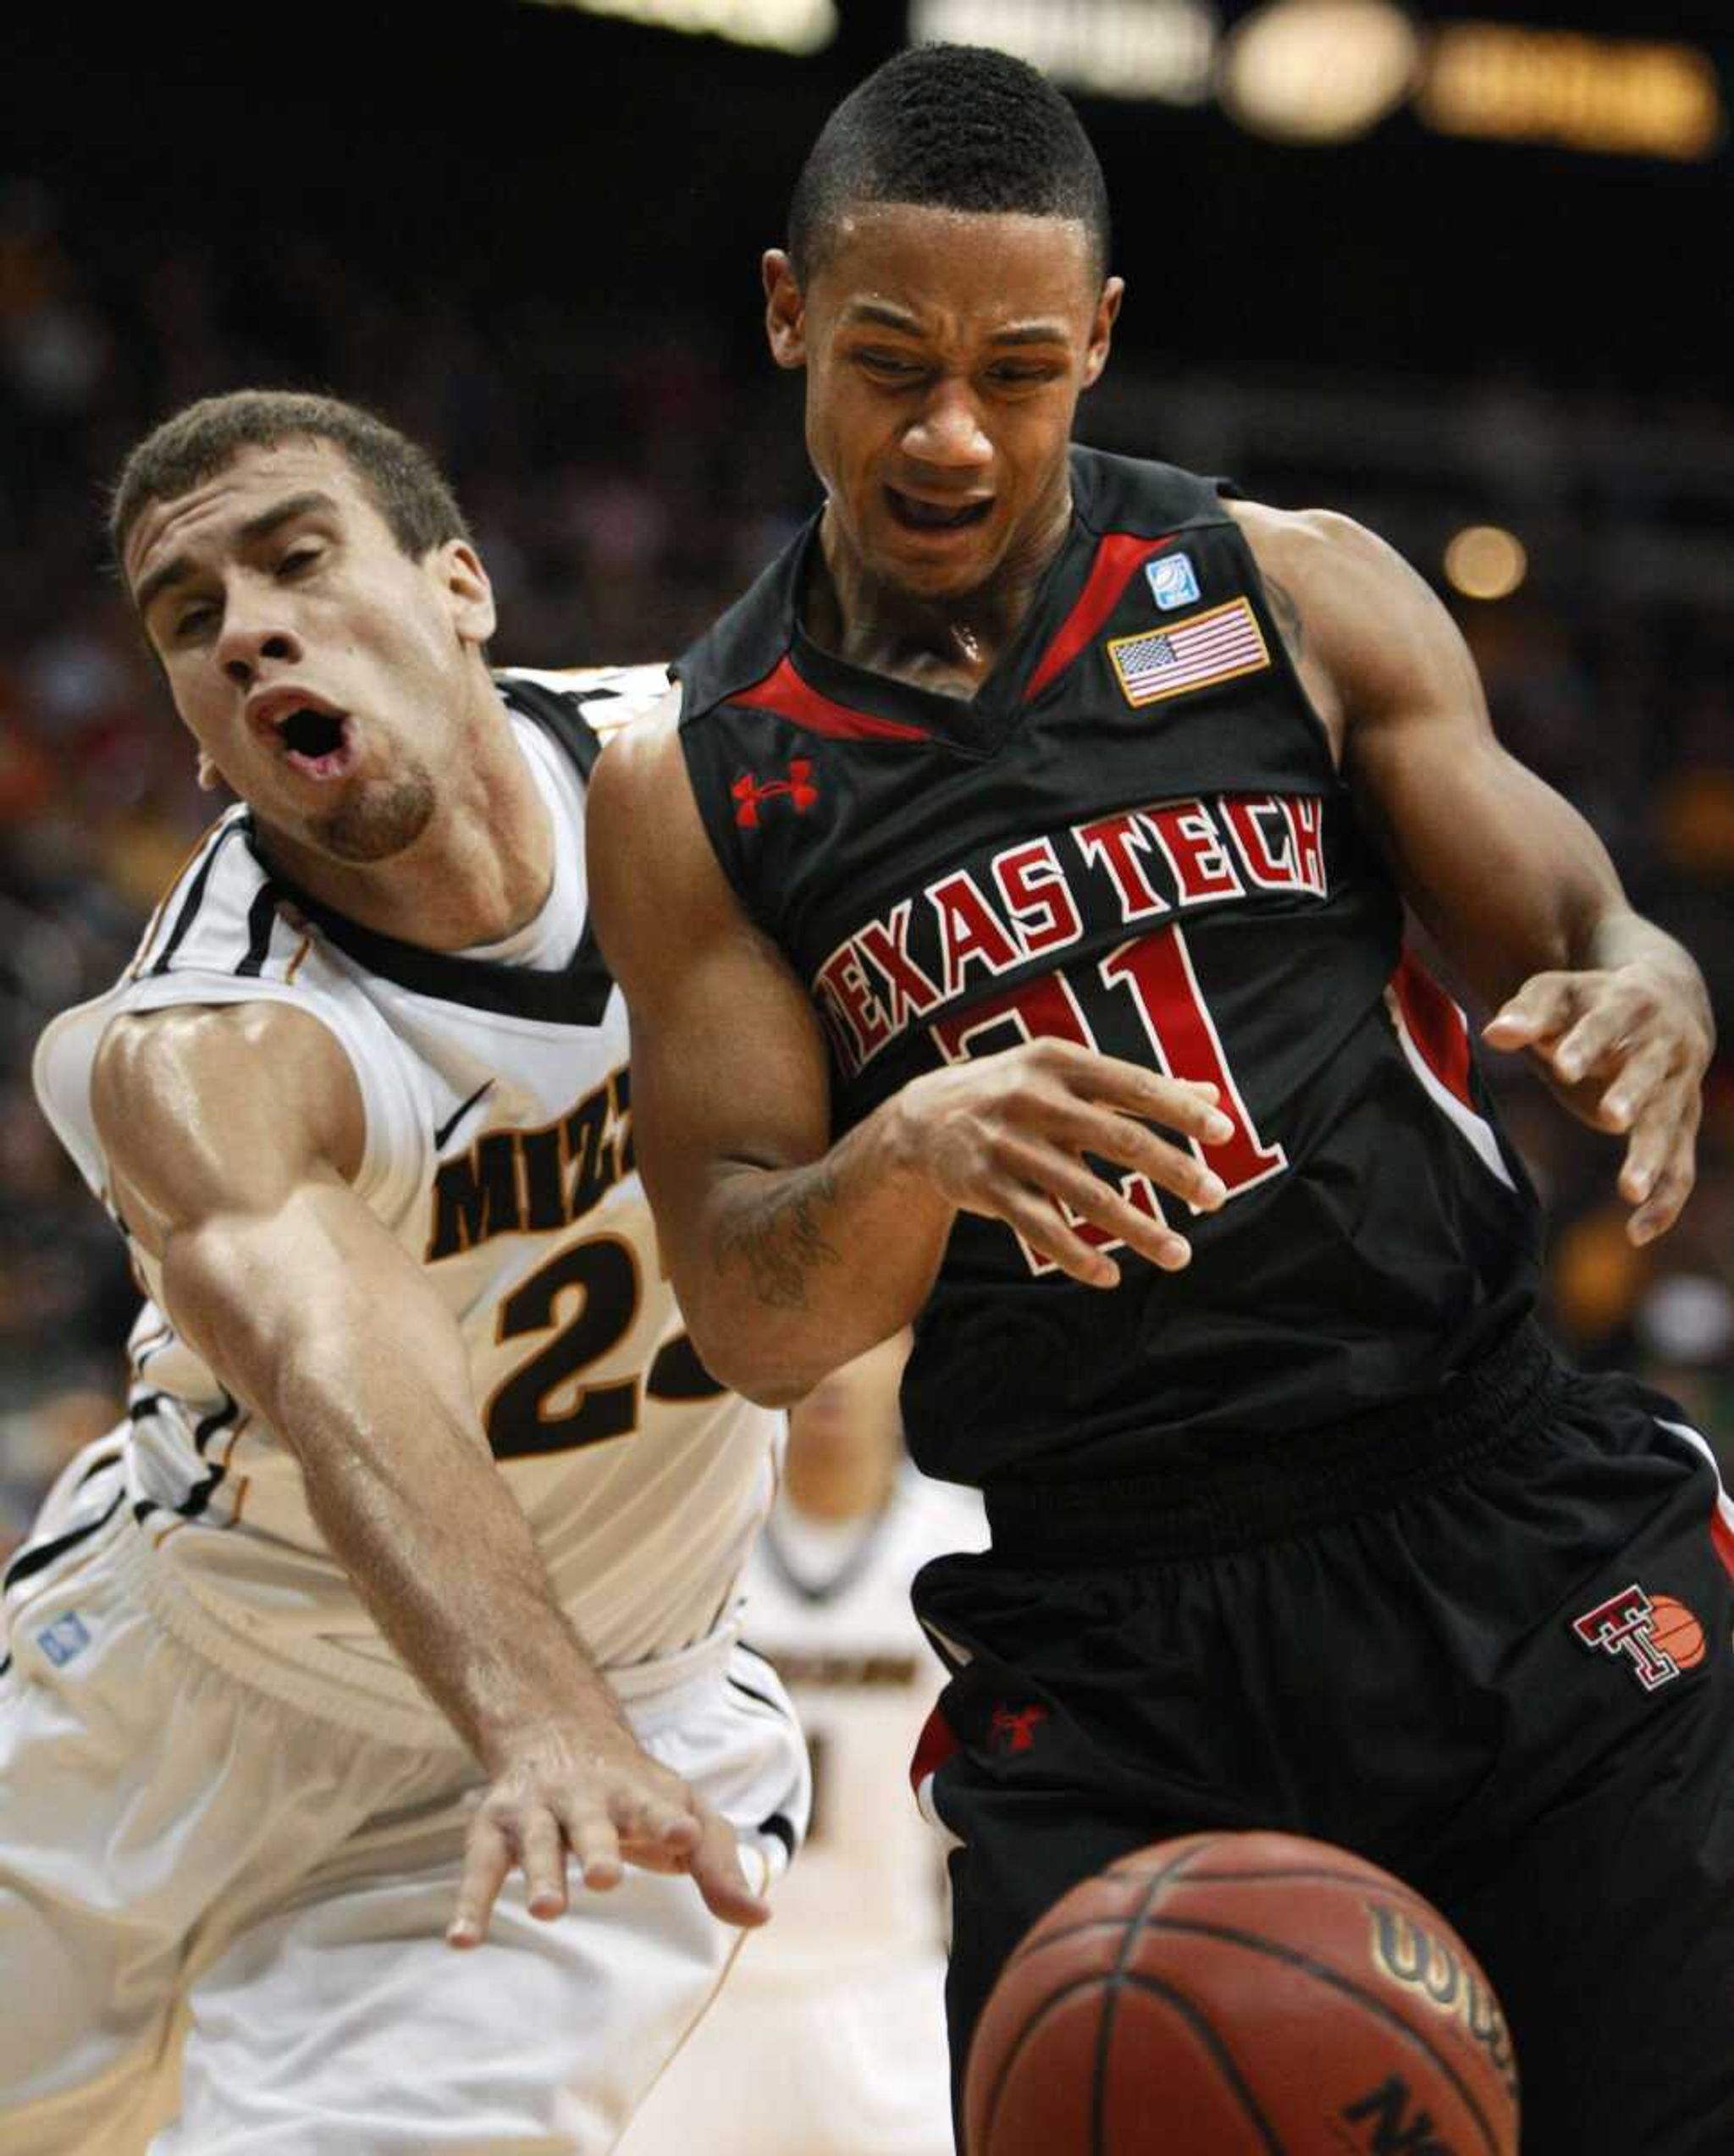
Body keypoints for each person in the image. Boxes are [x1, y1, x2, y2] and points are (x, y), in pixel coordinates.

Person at [586, 43, 1724, 2156]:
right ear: (781, 314)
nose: (948, 429)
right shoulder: (697, 773)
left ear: (1098, 341)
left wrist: (1646, 988)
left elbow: (1581, 920)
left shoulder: (1289, 586)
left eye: (1016, 370)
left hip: (1486, 1507)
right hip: (1111, 1626)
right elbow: (749, 1307)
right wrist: (906, 1146)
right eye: (886, 358)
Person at [1, 389, 808, 2156]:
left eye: (296, 558)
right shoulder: (209, 1032)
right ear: (203, 739)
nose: (248, 626)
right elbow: (335, 1344)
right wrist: (533, 1713)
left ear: (461, 586)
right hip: (183, 1690)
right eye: (188, 619)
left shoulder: (724, 782)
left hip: (619, 1721)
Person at [621, 1332, 985, 2156]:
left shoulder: (962, 1558)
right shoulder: (691, 1548)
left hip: (888, 1991)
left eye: (864, 1341)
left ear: (908, 1352)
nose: (834, 1371)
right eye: (822, 1337)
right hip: (698, 1999)